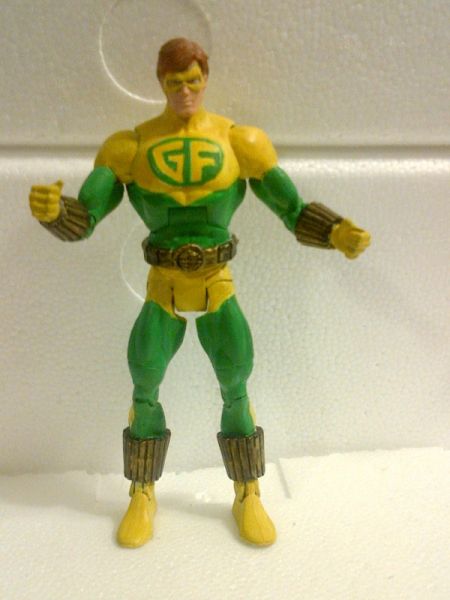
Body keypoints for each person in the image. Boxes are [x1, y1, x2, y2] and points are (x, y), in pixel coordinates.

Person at [29, 38, 370, 548]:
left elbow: (292, 209)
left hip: (216, 283)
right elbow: (86, 217)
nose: (185, 91)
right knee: (145, 383)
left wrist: (336, 232)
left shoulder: (241, 143)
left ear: (205, 78)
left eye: (192, 80)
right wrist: (55, 213)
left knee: (236, 384)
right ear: (160, 83)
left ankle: (248, 492)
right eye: (174, 82)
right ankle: (142, 492)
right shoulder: (128, 148)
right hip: (163, 284)